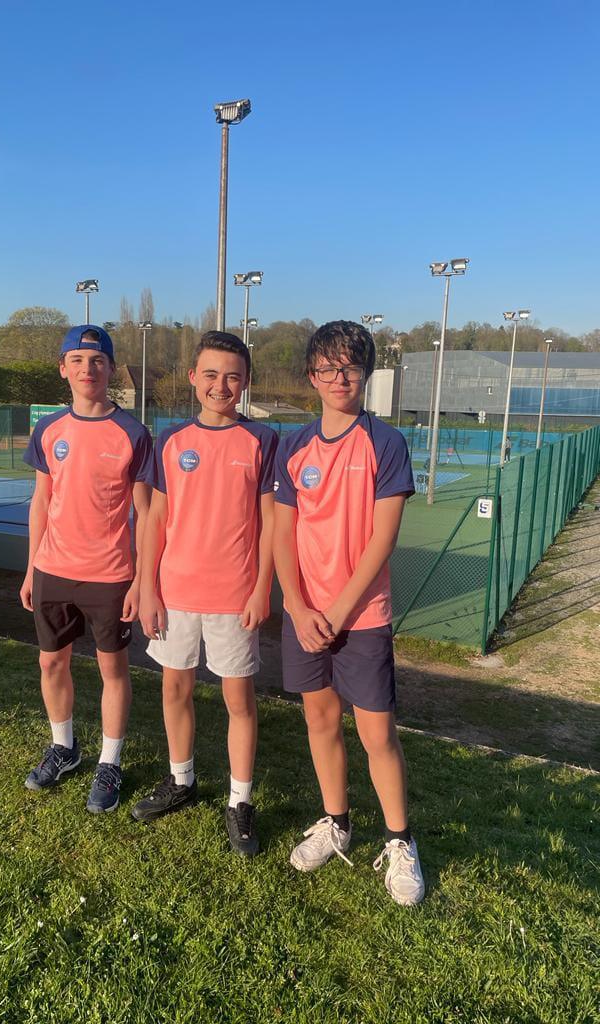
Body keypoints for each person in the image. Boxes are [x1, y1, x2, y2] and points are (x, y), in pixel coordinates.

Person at [273, 320, 425, 905]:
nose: (340, 377)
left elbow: (381, 541)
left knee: (377, 734)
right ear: (312, 377)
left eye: (351, 367)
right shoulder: (294, 445)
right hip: (305, 615)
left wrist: (335, 611)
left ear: (365, 374)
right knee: (319, 722)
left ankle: (400, 841)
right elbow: (282, 536)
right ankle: (336, 821)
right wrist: (298, 605)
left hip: (359, 618)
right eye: (329, 368)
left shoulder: (385, 443)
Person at [133, 331, 277, 856]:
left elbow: (269, 526)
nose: (221, 385)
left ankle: (240, 801)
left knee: (238, 699)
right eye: (211, 374)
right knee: (175, 691)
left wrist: (263, 588)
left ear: (245, 383)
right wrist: (146, 586)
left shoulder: (262, 441)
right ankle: (182, 780)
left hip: (234, 597)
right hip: (175, 594)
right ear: (193, 378)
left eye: (232, 376)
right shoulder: (171, 441)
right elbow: (156, 520)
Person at [20, 324, 152, 814]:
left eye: (96, 361)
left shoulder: (133, 432)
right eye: (76, 360)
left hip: (111, 575)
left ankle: (110, 762)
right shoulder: (49, 429)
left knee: (111, 669)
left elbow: (145, 512)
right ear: (63, 369)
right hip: (53, 569)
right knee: (50, 662)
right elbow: (41, 501)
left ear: (111, 368)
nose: (87, 369)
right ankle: (65, 748)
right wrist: (33, 568)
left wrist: (141, 578)